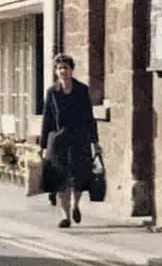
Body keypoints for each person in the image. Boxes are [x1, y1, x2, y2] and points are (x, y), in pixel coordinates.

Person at [40, 53, 99, 228]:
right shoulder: (52, 92)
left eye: (65, 68)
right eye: (59, 68)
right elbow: (47, 119)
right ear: (56, 71)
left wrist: (94, 141)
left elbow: (89, 117)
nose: (62, 71)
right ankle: (65, 216)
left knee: (78, 177)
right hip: (58, 140)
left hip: (79, 139)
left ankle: (75, 204)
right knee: (60, 180)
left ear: (72, 70)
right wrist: (43, 145)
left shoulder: (82, 90)